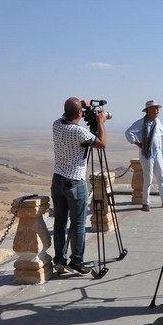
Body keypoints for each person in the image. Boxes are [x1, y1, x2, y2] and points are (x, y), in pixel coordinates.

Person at [51, 97, 107, 275]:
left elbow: (68, 113)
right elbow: (102, 144)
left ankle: (59, 259)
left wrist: (81, 106)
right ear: (79, 114)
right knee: (78, 224)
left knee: (60, 223)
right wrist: (100, 122)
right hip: (75, 182)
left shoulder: (56, 124)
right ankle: (76, 261)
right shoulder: (79, 132)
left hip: (57, 180)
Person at [125, 100, 163, 211]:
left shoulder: (157, 121)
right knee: (148, 178)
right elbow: (128, 132)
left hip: (157, 153)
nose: (157, 110)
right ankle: (145, 203)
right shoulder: (141, 123)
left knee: (161, 176)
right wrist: (140, 144)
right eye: (154, 108)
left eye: (157, 108)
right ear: (148, 111)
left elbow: (161, 134)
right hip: (147, 154)